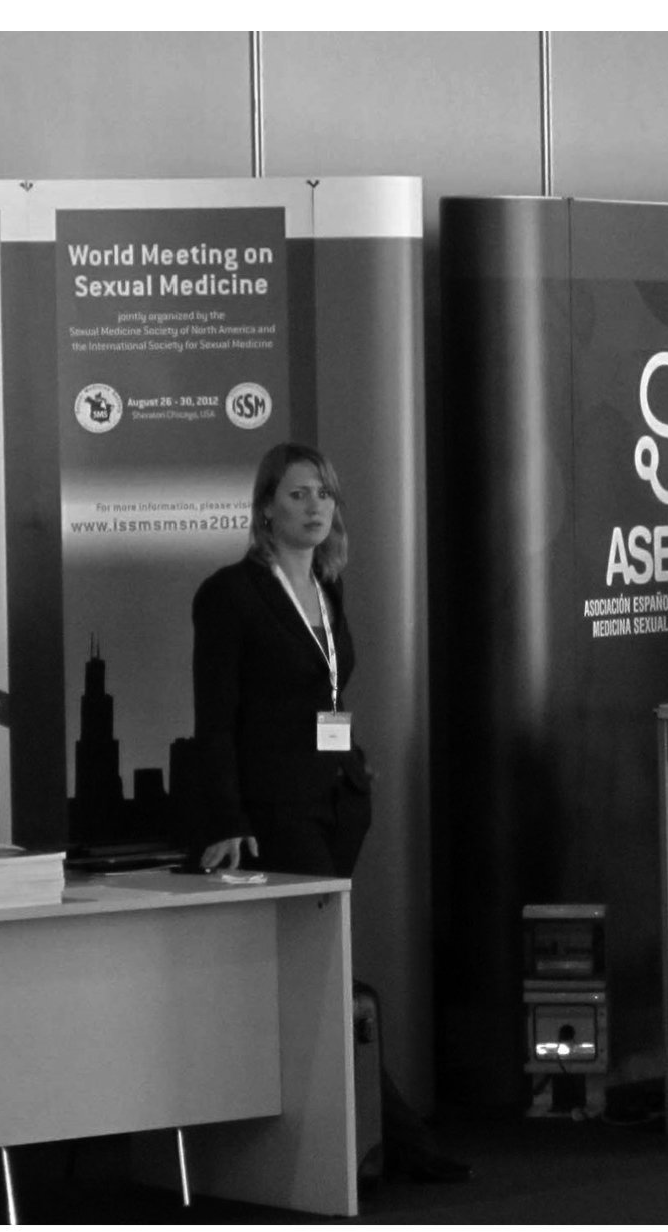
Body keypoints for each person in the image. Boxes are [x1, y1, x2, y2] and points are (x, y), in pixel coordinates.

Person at [192, 442, 469, 1183]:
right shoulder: (231, 594)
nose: (315, 507)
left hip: (338, 803)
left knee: (321, 971)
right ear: (265, 509)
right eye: (297, 494)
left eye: (323, 494)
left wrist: (351, 763)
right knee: (326, 975)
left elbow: (328, 696)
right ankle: (385, 1141)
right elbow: (214, 719)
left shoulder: (326, 589)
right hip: (275, 809)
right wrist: (226, 818)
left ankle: (363, 1136)